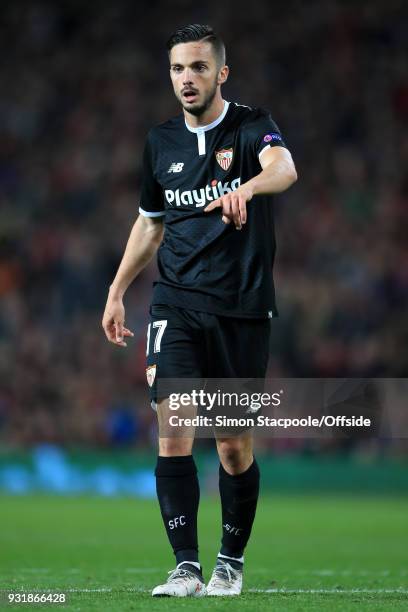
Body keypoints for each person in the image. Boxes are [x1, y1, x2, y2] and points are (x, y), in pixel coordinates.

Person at [102, 23, 297, 598]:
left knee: (233, 445)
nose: (186, 79)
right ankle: (185, 566)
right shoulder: (159, 142)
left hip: (241, 305)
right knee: (175, 424)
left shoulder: (252, 125)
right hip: (176, 302)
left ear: (221, 73)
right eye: (177, 69)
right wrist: (116, 291)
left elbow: (286, 169)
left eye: (198, 68)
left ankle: (228, 565)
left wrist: (250, 188)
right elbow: (149, 225)